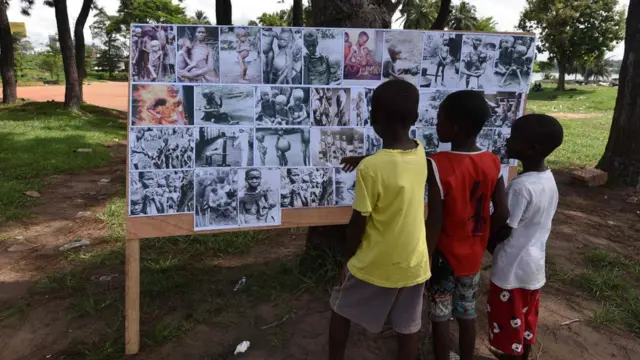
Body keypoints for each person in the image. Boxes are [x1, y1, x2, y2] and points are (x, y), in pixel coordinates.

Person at [328, 79, 430, 360]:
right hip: (414, 264)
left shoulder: (371, 170)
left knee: (339, 305)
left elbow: (358, 222)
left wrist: (346, 260)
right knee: (408, 328)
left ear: (373, 118)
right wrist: (365, 158)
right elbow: (396, 163)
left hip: (376, 262)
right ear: (415, 118)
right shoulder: (421, 152)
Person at [425, 90, 509, 360]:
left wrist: (426, 255)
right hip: (472, 257)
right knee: (467, 311)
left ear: (454, 126)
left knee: (440, 315)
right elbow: (503, 212)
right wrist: (484, 238)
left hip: (443, 258)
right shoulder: (493, 161)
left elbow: (435, 219)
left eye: (439, 119)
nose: (436, 124)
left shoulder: (437, 164)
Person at [486, 114, 563, 360]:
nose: (508, 141)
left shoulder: (520, 187)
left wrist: (487, 243)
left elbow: (505, 226)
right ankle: (523, 354)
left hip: (512, 269)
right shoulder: (547, 179)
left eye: (514, 137)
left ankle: (512, 356)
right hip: (533, 267)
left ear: (532, 148)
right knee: (525, 320)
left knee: (508, 322)